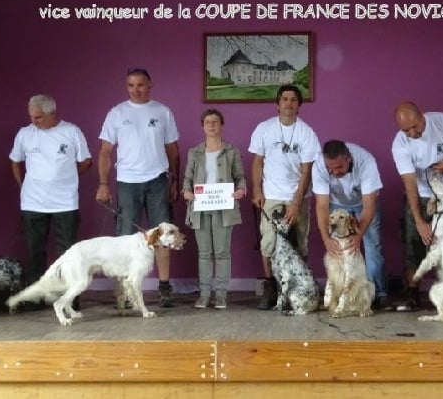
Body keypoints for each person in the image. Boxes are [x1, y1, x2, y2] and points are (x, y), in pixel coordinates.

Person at [96, 68, 180, 308]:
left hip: (157, 181)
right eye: (131, 85)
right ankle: (125, 292)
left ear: (150, 85)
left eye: (141, 84)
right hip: (127, 182)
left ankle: (164, 288)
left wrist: (174, 180)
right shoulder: (117, 113)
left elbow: (173, 150)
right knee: (124, 240)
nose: (136, 89)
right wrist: (103, 183)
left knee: (164, 235)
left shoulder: (162, 111)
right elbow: (105, 151)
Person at [391, 101, 443, 311]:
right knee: (413, 246)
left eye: (415, 127)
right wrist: (419, 220)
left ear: (422, 117)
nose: (411, 133)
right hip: (419, 196)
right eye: (405, 130)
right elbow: (409, 183)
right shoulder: (400, 143)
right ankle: (411, 295)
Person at [9, 94, 92, 309]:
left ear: (52, 113)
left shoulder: (71, 131)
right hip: (32, 203)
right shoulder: (24, 134)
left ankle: (70, 298)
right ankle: (37, 298)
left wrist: (67, 178)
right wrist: (23, 187)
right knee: (35, 250)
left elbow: (86, 161)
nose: (34, 121)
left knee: (68, 252)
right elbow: (15, 161)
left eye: (38, 117)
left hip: (66, 202)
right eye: (31, 117)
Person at [249, 84, 320, 310]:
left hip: (297, 195)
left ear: (299, 105)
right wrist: (257, 190)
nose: (288, 103)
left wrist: (296, 203)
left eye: (293, 100)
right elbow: (257, 162)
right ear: (277, 104)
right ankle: (271, 286)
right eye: (285, 99)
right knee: (268, 242)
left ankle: (299, 285)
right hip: (271, 195)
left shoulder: (307, 133)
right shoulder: (264, 129)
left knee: (299, 242)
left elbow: (307, 171)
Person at [182, 109, 247, 310]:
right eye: (208, 122)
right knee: (203, 253)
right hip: (200, 207)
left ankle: (220, 295)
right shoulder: (195, 152)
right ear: (203, 126)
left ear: (222, 125)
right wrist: (186, 192)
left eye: (215, 122)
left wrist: (241, 189)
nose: (211, 125)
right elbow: (188, 179)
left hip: (224, 207)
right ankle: (204, 294)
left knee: (222, 253)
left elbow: (240, 177)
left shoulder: (232, 151)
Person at [312, 140, 389, 309]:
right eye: (330, 168)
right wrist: (326, 238)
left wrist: (358, 234)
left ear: (348, 158)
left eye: (338, 168)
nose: (333, 172)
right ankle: (339, 294)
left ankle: (377, 293)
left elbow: (369, 205)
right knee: (336, 250)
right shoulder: (319, 165)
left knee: (372, 246)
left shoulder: (366, 162)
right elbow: (322, 206)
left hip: (363, 204)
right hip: (336, 205)